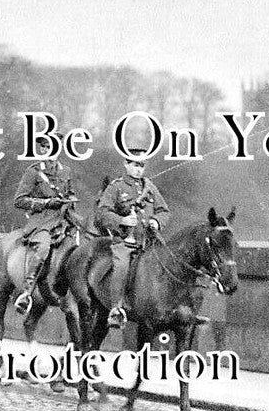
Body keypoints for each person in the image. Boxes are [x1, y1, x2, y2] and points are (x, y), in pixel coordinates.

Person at [93, 148, 172, 328]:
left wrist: (156, 222)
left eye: (142, 166)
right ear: (126, 164)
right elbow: (102, 213)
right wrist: (122, 220)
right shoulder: (116, 187)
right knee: (121, 267)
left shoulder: (150, 188)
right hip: (125, 242)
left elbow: (164, 211)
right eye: (135, 165)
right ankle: (116, 309)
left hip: (149, 242)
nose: (139, 169)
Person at [11, 136, 78, 315]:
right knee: (43, 248)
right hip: (42, 221)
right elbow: (19, 200)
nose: (51, 150)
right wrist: (46, 202)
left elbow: (70, 193)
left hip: (64, 220)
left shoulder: (66, 171)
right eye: (46, 146)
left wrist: (70, 200)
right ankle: (27, 292)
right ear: (41, 149)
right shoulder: (33, 172)